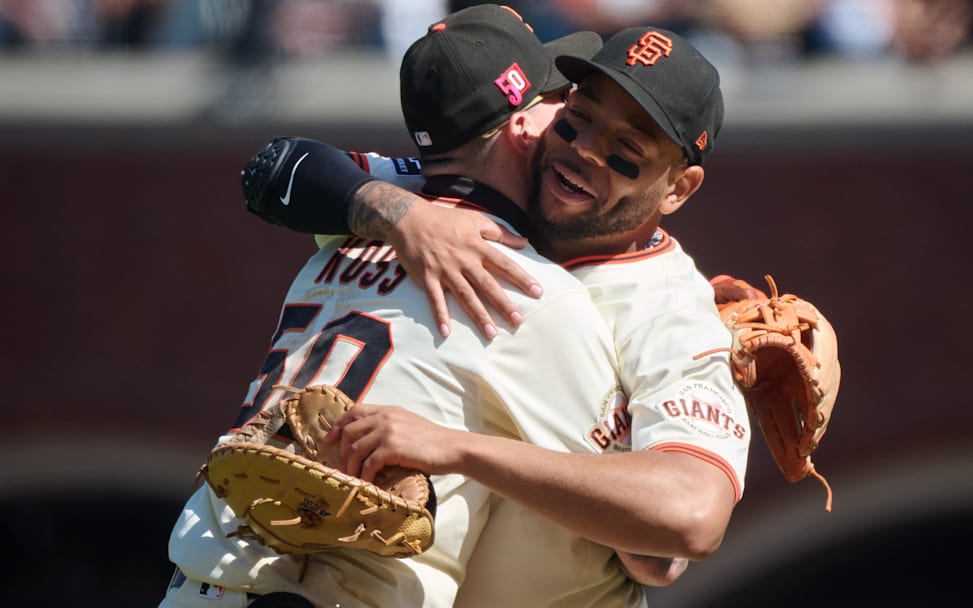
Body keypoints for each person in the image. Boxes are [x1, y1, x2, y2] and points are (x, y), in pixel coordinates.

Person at [243, 21, 753, 608]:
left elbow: (676, 535)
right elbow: (277, 166)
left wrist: (460, 448)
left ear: (679, 189)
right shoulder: (458, 199)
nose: (585, 149)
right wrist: (401, 217)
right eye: (577, 117)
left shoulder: (669, 311)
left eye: (626, 152)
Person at [159, 7, 634, 608]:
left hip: (198, 584)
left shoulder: (347, 229)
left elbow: (281, 166)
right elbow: (647, 545)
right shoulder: (532, 294)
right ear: (521, 127)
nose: (571, 125)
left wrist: (401, 215)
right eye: (559, 104)